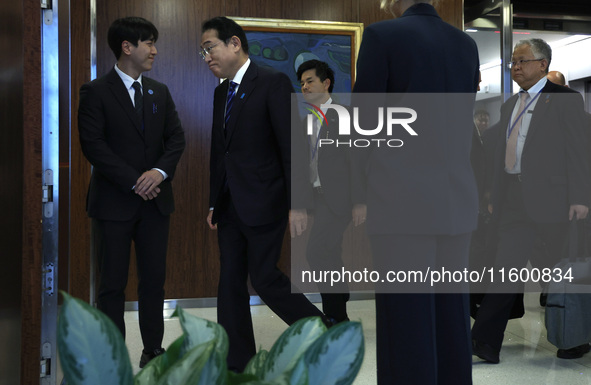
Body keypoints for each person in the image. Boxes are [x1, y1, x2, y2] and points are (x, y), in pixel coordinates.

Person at [353, 0, 480, 384]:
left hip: (401, 198)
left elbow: (364, 123)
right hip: (456, 198)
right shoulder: (465, 44)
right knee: (451, 315)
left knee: (405, 318)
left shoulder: (380, 35)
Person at [200, 16, 328, 371]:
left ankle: (322, 333)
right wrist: (213, 200)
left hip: (264, 199)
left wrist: (298, 203)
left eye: (210, 48)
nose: (207, 56)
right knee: (230, 282)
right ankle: (236, 360)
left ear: (234, 44)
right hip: (229, 204)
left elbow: (293, 146)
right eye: (203, 52)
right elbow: (219, 151)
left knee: (265, 277)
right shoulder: (221, 91)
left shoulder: (273, 82)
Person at [471, 38, 590, 363]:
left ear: (542, 64)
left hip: (554, 203)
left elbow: (579, 152)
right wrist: (493, 195)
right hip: (513, 202)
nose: (516, 67)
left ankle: (574, 338)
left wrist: (580, 198)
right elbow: (502, 155)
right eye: (513, 62)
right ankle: (484, 343)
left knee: (558, 274)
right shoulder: (512, 104)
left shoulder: (566, 100)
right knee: (504, 271)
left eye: (522, 61)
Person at [78, 17, 186, 368]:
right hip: (113, 204)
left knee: (154, 282)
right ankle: (111, 356)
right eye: (149, 43)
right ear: (127, 47)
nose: (154, 50)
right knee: (111, 285)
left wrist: (157, 173)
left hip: (156, 205)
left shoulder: (159, 91)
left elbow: (176, 139)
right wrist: (135, 180)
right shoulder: (95, 92)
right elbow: (94, 146)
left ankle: (153, 349)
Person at [295, 59, 364, 324]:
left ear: (326, 83)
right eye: (301, 83)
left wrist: (360, 201)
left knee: (316, 252)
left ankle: (335, 313)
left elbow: (356, 161)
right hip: (318, 198)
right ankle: (338, 312)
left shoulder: (343, 115)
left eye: (310, 80)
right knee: (330, 253)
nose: (304, 87)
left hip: (340, 199)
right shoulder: (306, 121)